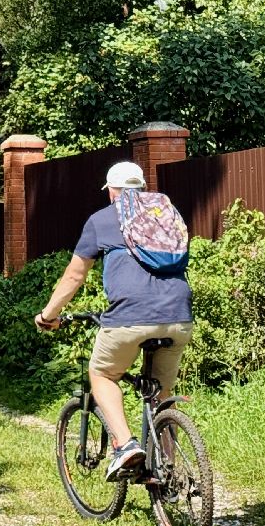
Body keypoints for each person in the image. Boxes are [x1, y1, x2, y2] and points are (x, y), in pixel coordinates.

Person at [34, 161, 193, 480]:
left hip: (129, 318)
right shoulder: (164, 216)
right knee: (162, 394)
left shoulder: (103, 219)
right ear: (142, 188)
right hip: (179, 316)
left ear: (113, 191)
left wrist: (48, 315)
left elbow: (75, 275)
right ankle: (170, 472)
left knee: (103, 373)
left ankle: (125, 445)